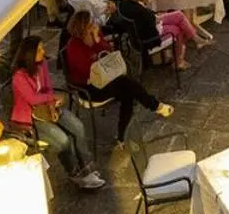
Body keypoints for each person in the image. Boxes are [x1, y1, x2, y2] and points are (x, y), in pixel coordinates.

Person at [61, 9, 175, 140]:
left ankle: (122, 137)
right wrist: (94, 50)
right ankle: (154, 106)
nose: (93, 23)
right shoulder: (74, 47)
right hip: (89, 87)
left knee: (128, 91)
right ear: (82, 27)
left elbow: (109, 53)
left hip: (106, 77)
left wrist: (98, 41)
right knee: (127, 85)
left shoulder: (94, 35)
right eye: (90, 22)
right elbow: (87, 70)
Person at [10, 35, 105, 189]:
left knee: (77, 127)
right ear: (29, 54)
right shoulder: (19, 77)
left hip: (48, 106)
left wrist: (52, 105)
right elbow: (32, 99)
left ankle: (87, 166)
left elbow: (47, 87)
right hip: (31, 118)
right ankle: (74, 172)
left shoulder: (42, 65)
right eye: (39, 49)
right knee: (63, 141)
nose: (43, 50)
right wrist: (52, 98)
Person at [117, 0, 205, 69]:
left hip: (138, 36)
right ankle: (179, 61)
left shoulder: (123, 3)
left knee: (178, 16)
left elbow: (147, 18)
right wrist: (148, 6)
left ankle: (191, 42)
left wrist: (146, 6)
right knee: (178, 28)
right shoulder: (139, 10)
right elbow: (154, 20)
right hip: (150, 38)